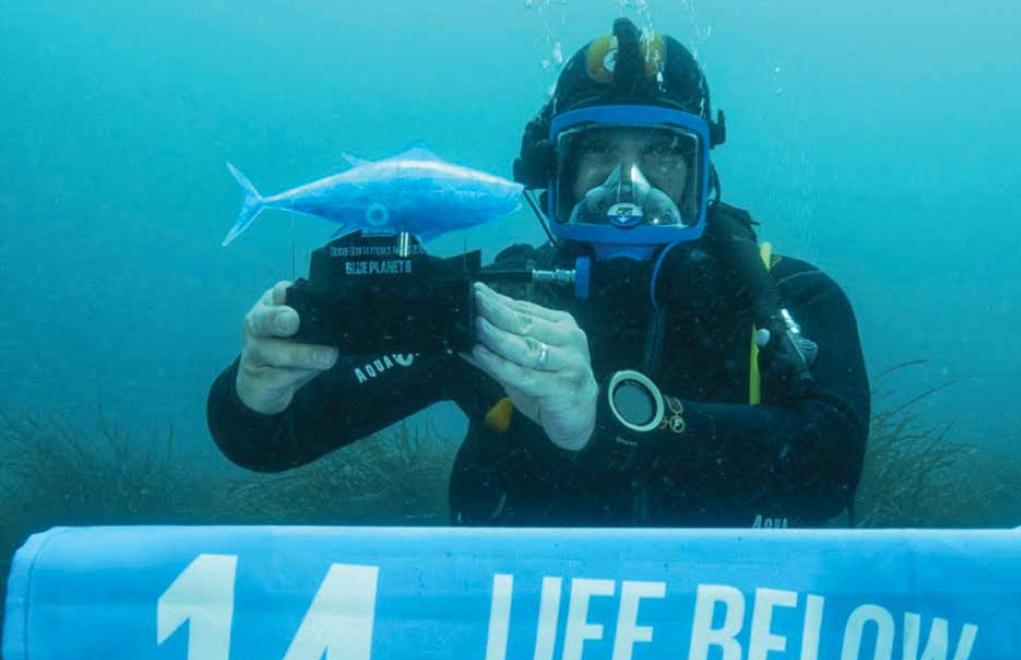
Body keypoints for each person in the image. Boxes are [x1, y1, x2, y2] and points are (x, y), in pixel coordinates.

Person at [207, 18, 870, 528]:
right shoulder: (496, 305)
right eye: (598, 152)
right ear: (551, 170)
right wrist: (257, 391)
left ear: (704, 173)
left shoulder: (785, 299)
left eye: (664, 155)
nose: (628, 188)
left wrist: (606, 418)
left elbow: (833, 467)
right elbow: (269, 442)